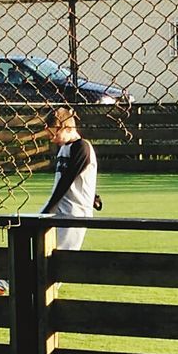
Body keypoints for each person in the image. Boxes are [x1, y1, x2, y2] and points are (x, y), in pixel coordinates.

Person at [39, 107, 100, 251]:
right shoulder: (65, 147)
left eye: (55, 134)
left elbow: (68, 179)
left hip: (75, 212)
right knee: (43, 248)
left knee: (60, 253)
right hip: (60, 208)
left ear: (66, 127)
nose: (52, 139)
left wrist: (48, 209)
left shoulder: (81, 147)